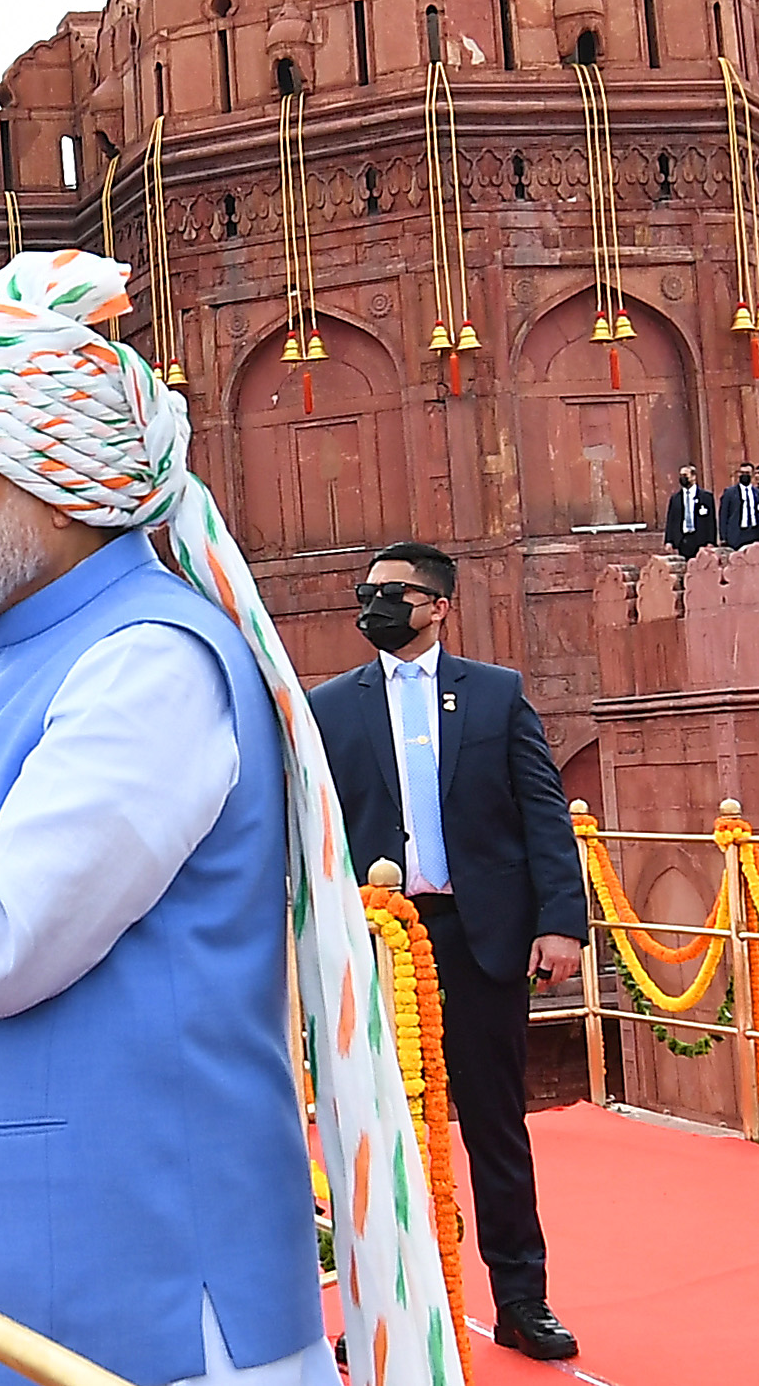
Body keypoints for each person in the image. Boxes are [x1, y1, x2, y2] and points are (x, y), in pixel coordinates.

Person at [0, 252, 449, 1386]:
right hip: (34, 1283)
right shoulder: (34, 659)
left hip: (140, 1306)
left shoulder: (147, 662)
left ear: (50, 482)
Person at [307, 546, 585, 1361]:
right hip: (380, 941)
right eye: (366, 592)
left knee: (495, 1126)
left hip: (480, 935)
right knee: (378, 1131)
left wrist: (560, 921)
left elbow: (543, 812)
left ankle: (522, 1299)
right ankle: (382, 1310)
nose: (374, 605)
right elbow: (317, 825)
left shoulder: (495, 694)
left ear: (437, 605)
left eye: (391, 593)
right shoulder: (332, 706)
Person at [666, 465, 718, 557]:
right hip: (682, 539)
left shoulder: (706, 497)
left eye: (685, 475)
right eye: (681, 475)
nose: (683, 478)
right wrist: (669, 541)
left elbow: (711, 521)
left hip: (700, 539)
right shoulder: (675, 498)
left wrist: (711, 541)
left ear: (693, 477)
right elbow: (671, 521)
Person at [724, 464, 759, 550]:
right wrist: (724, 536)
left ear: (752, 474)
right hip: (737, 534)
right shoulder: (730, 493)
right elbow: (724, 514)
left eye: (747, 473)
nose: (744, 475)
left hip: (754, 532)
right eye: (742, 473)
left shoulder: (757, 492)